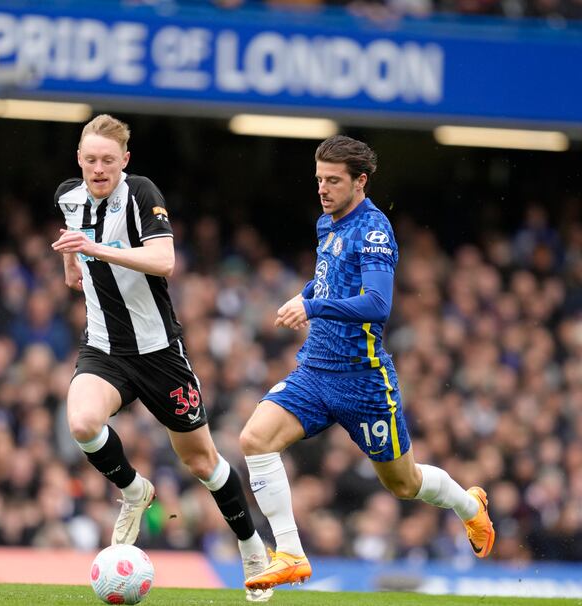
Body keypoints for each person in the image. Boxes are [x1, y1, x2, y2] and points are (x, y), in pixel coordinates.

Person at [240, 135, 495, 590]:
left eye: (333, 181)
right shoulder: (327, 223)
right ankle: (291, 553)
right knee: (255, 439)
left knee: (403, 483)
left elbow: (377, 304)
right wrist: (305, 294)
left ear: (361, 181)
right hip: (316, 372)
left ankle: (469, 507)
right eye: (319, 179)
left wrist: (314, 308)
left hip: (364, 382)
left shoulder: (374, 231)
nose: (323, 189)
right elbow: (328, 277)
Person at [51, 114, 272, 602]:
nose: (98, 168)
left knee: (200, 461)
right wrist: (73, 255)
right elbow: (74, 276)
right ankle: (133, 490)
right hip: (105, 350)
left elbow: (164, 261)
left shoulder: (142, 194)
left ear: (124, 161)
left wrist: (96, 249)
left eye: (108, 160)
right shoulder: (68, 197)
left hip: (159, 355)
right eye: (90, 159)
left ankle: (252, 547)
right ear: (79, 160)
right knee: (82, 423)